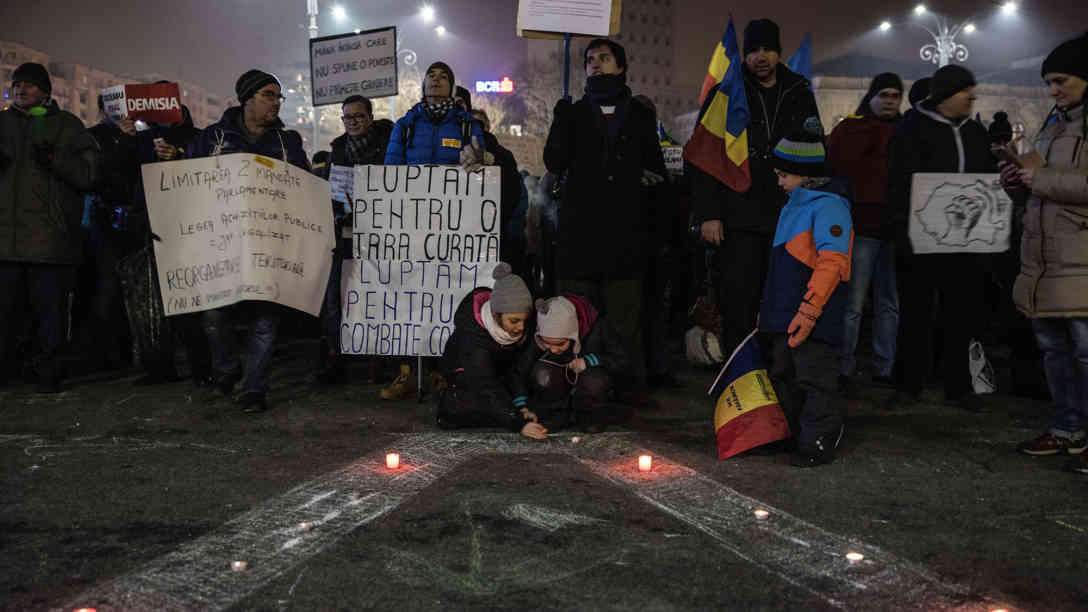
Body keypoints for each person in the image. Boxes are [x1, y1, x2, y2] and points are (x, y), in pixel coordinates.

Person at [690, 19, 823, 362]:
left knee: (786, 297)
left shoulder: (799, 91)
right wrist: (709, 214)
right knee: (739, 301)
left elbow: (816, 152)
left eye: (767, 49)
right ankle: (742, 373)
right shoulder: (724, 92)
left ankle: (780, 372)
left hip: (789, 216)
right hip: (738, 217)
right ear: (744, 55)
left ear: (779, 52)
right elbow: (705, 157)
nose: (761, 57)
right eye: (753, 50)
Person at [543, 38, 666, 401]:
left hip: (625, 241)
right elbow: (554, 162)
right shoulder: (574, 113)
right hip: (580, 240)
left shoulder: (639, 115)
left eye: (604, 58)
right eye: (590, 59)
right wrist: (559, 119)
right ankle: (577, 390)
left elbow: (654, 169)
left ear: (622, 67)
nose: (596, 64)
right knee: (578, 319)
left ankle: (621, 392)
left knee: (623, 324)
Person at [186, 69, 311, 413]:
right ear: (247, 99)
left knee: (265, 318)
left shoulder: (288, 143)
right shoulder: (211, 138)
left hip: (269, 244)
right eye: (269, 95)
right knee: (214, 315)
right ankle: (227, 369)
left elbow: (304, 187)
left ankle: (254, 389)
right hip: (221, 242)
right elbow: (188, 183)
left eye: (278, 96)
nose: (276, 102)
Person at [1000, 33, 1088, 475]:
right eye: (1049, 82)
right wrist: (1016, 179)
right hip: (1046, 258)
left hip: (1081, 257)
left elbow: (1061, 181)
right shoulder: (1054, 122)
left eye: (1061, 80)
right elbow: (1041, 176)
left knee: (1084, 350)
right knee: (1055, 351)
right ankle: (1068, 427)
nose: (1053, 90)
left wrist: (1042, 181)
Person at [884, 65, 995, 412]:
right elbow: (899, 182)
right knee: (915, 311)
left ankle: (957, 386)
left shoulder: (976, 131)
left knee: (960, 312)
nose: (972, 97)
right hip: (920, 239)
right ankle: (908, 384)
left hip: (965, 242)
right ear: (947, 94)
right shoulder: (911, 128)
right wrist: (905, 226)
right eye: (966, 91)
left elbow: (987, 176)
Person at [382, 61, 489, 400]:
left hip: (455, 229)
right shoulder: (406, 125)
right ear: (423, 85)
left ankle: (444, 372)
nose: (437, 81)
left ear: (452, 86)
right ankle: (408, 371)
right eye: (432, 76)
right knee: (410, 295)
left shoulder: (468, 125)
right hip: (414, 226)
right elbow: (391, 173)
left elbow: (479, 171)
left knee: (448, 297)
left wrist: (481, 161)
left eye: (444, 77)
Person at [0, 63, 98, 392]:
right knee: (6, 315)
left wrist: (57, 159)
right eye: (16, 84)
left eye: (29, 84)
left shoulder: (67, 126)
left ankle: (48, 373)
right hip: (4, 240)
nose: (20, 89)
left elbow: (89, 176)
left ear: (45, 91)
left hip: (50, 242)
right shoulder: (0, 123)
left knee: (50, 316)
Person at [758, 131, 853, 467]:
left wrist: (810, 311)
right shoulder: (793, 206)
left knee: (814, 377)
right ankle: (799, 433)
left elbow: (833, 262)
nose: (779, 181)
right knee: (784, 373)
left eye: (784, 175)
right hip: (785, 314)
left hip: (813, 316)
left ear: (806, 174)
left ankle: (818, 439)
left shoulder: (830, 207)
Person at [826, 73, 903, 394]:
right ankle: (845, 366)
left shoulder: (905, 131)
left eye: (895, 95)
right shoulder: (852, 129)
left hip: (895, 231)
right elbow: (836, 166)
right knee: (853, 303)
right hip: (862, 228)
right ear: (871, 96)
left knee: (889, 304)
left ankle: (884, 368)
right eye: (884, 94)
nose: (889, 101)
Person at [312, 94, 392, 386]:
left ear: (370, 117)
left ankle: (378, 361)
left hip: (380, 236)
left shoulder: (388, 147)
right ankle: (337, 355)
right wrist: (338, 210)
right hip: (344, 236)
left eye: (359, 116)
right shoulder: (338, 151)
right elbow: (332, 190)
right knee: (336, 298)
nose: (353, 122)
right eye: (348, 117)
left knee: (376, 297)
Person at [436, 263, 541, 438]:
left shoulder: (516, 328)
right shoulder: (473, 340)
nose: (521, 327)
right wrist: (519, 423)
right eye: (514, 321)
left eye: (524, 320)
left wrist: (522, 406)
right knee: (480, 404)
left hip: (497, 382)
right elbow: (485, 386)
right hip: (469, 385)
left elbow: (515, 370)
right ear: (495, 315)